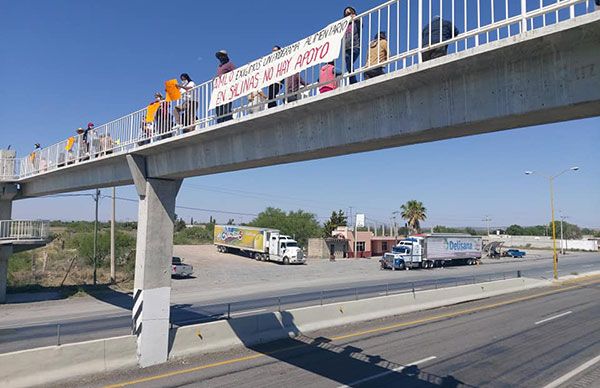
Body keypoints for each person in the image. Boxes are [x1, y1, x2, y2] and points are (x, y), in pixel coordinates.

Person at [215, 50, 235, 123]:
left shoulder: (230, 64)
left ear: (225, 56)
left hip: (227, 88)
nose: (220, 58)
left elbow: (235, 73)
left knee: (226, 105)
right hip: (220, 89)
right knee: (218, 106)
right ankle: (220, 120)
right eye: (219, 57)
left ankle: (227, 118)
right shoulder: (220, 66)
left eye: (221, 56)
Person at [343, 6, 361, 84]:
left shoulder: (356, 22)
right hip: (346, 48)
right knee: (348, 64)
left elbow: (361, 23)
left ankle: (353, 81)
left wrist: (355, 17)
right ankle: (352, 81)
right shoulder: (344, 25)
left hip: (355, 46)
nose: (348, 15)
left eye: (349, 13)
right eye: (346, 14)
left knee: (349, 62)